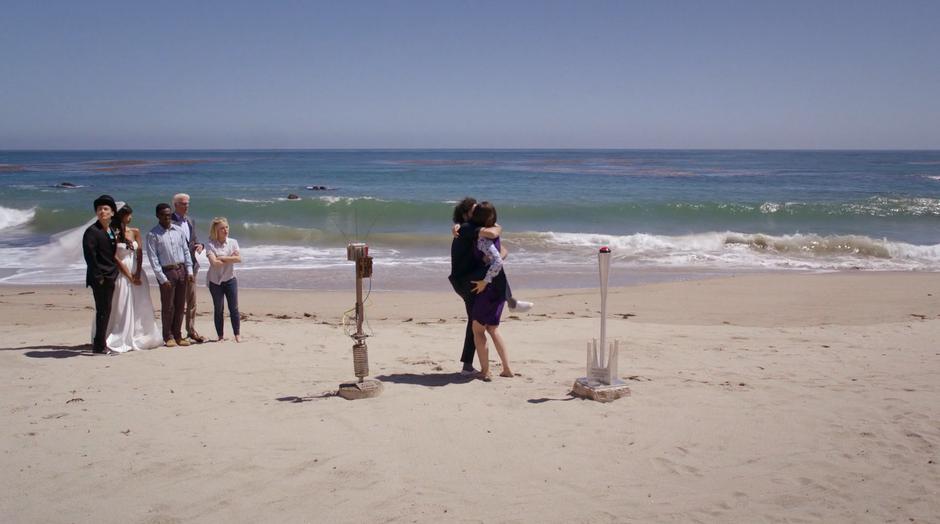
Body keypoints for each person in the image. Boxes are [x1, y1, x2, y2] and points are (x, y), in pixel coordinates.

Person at [449, 198, 500, 375]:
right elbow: (494, 233)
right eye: (474, 209)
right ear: (465, 215)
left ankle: (467, 364)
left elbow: (501, 248)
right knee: (475, 321)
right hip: (465, 281)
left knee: (474, 320)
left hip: (466, 278)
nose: (478, 212)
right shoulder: (467, 228)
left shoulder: (468, 228)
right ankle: (467, 366)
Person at [104, 203, 163, 352]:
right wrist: (129, 275)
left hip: (136, 268)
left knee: (140, 301)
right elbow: (115, 256)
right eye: (128, 214)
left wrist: (136, 273)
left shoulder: (135, 231)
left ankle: (140, 332)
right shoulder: (112, 232)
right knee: (122, 301)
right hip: (122, 269)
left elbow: (140, 252)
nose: (131, 217)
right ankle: (120, 334)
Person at [469, 202, 513, 381]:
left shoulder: (483, 239)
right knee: (493, 328)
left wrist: (484, 282)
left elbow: (497, 261)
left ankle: (485, 371)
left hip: (490, 288)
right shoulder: (494, 230)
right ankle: (507, 369)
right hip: (500, 284)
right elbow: (503, 252)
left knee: (478, 329)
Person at [147, 203, 194, 348]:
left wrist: (190, 270)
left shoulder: (178, 231)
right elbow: (153, 259)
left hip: (181, 270)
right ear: (157, 216)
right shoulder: (153, 234)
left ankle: (178, 335)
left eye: (168, 214)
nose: (167, 217)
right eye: (163, 215)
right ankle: (168, 336)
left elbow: (186, 251)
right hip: (167, 271)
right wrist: (162, 278)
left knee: (180, 305)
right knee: (168, 306)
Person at [82, 194, 118, 355]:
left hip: (111, 275)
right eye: (99, 209)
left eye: (105, 209)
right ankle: (99, 346)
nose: (102, 211)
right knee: (102, 310)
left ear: (112, 212)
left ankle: (101, 342)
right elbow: (90, 256)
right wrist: (99, 277)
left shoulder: (111, 230)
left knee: (107, 310)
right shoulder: (91, 232)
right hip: (100, 278)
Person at [171, 193, 206, 343]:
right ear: (176, 205)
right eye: (184, 203)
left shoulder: (190, 221)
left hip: (192, 265)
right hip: (177, 267)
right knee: (176, 302)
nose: (187, 206)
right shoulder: (169, 221)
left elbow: (194, 240)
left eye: (188, 203)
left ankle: (191, 330)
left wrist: (200, 245)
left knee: (191, 300)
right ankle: (174, 332)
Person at [205, 217, 242, 342]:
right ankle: (220, 336)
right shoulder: (210, 243)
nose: (225, 230)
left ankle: (237, 334)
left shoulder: (233, 242)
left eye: (227, 227)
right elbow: (214, 263)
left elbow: (238, 259)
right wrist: (229, 258)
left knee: (234, 308)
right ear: (216, 230)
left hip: (230, 279)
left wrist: (221, 257)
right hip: (215, 281)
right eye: (222, 228)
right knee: (218, 308)